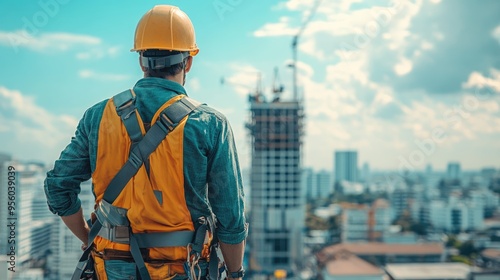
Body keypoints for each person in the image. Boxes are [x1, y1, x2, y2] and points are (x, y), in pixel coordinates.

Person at [44, 5, 247, 280]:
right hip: (182, 269)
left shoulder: (98, 117)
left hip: (109, 268)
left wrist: (89, 237)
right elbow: (231, 219)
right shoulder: (210, 124)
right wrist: (235, 274)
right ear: (188, 62)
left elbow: (58, 186)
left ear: (141, 61)